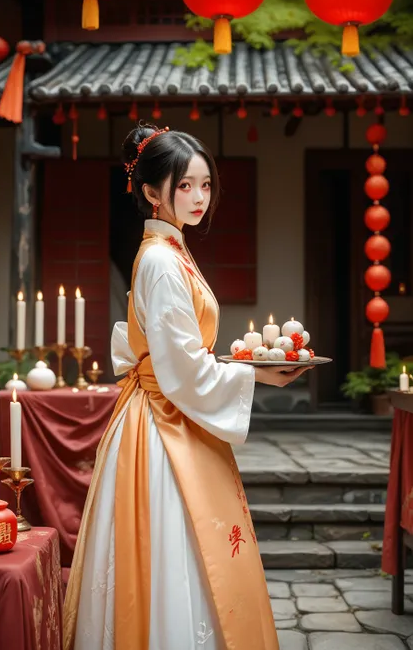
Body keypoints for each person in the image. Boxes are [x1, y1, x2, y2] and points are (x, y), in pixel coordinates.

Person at [63, 124, 311, 650]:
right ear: (152, 193)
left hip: (162, 410)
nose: (199, 197)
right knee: (176, 548)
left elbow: (178, 355)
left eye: (204, 184)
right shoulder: (160, 259)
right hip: (163, 421)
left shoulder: (168, 251)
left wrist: (242, 365)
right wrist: (257, 372)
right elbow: (181, 369)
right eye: (184, 187)